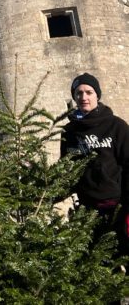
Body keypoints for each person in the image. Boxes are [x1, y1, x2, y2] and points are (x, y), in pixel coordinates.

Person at [61, 72, 129, 252]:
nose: (84, 97)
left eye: (89, 92)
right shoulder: (69, 133)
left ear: (97, 95)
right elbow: (66, 171)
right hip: (88, 211)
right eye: (79, 93)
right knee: (98, 267)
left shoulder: (117, 126)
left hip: (119, 209)